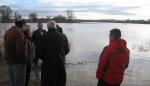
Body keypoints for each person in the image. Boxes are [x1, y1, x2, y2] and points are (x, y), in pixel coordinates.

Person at [36, 20, 70, 86]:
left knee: (47, 82)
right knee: (60, 82)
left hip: (48, 64)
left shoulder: (43, 37)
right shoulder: (63, 36)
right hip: (60, 64)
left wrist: (44, 58)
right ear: (55, 27)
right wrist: (61, 55)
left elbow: (38, 52)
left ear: (47, 27)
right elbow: (67, 50)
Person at [4, 19, 27, 86]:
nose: (25, 27)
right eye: (25, 25)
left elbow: (5, 45)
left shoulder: (8, 31)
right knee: (19, 83)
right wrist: (24, 61)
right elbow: (21, 50)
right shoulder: (19, 33)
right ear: (23, 25)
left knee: (13, 82)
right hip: (18, 63)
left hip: (10, 61)